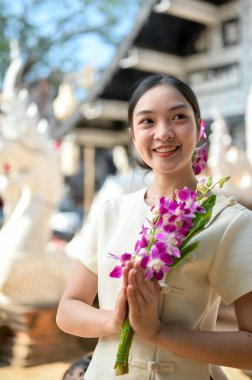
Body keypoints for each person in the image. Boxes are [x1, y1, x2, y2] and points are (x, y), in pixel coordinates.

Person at [56, 74, 252, 380]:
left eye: (178, 117)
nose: (164, 133)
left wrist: (157, 333)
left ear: (199, 127)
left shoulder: (230, 220)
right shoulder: (112, 211)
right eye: (147, 122)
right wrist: (115, 321)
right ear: (133, 135)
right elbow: (68, 309)